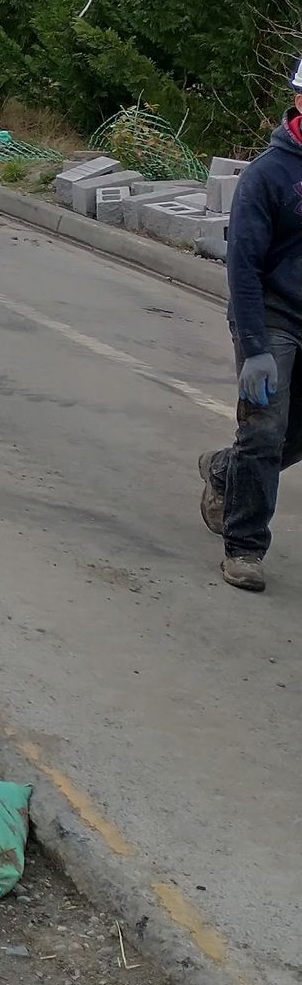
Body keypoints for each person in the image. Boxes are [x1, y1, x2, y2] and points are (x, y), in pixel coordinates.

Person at [199, 54, 302, 591]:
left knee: (294, 435)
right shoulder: (270, 175)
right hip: (272, 319)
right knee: (264, 432)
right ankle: (244, 548)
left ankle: (223, 472)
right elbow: (242, 264)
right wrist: (255, 345)